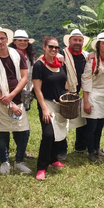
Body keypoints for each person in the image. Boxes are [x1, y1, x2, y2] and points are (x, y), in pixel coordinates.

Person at [0, 25, 31, 175]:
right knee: (2, 131)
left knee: (23, 130)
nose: (0, 41)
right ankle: (5, 161)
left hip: (17, 97)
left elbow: (24, 77)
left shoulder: (18, 55)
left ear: (7, 39)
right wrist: (7, 101)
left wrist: (12, 95)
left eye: (2, 38)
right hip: (0, 100)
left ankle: (19, 160)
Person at [32, 37, 68, 180]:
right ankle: (41, 167)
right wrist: (45, 109)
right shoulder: (39, 66)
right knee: (48, 135)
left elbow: (63, 83)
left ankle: (53, 159)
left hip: (60, 103)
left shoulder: (61, 63)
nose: (53, 50)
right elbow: (37, 89)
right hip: (46, 103)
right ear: (44, 47)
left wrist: (67, 96)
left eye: (56, 48)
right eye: (51, 47)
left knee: (58, 132)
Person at [81, 32, 104, 162]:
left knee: (100, 125)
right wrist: (86, 101)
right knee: (92, 126)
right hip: (92, 94)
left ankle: (97, 148)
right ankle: (91, 152)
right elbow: (86, 80)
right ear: (98, 45)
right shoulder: (92, 59)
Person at [58, 29, 90, 160]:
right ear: (69, 41)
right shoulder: (61, 54)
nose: (77, 42)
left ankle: (80, 146)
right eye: (75, 40)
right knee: (62, 121)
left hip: (80, 92)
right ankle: (61, 149)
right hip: (63, 92)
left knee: (82, 120)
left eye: (80, 40)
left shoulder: (85, 55)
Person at [8, 29, 36, 159]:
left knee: (20, 121)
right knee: (12, 122)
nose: (23, 43)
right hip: (14, 92)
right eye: (20, 40)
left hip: (27, 92)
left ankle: (21, 150)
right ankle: (8, 153)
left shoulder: (30, 56)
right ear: (14, 41)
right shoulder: (10, 55)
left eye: (25, 41)